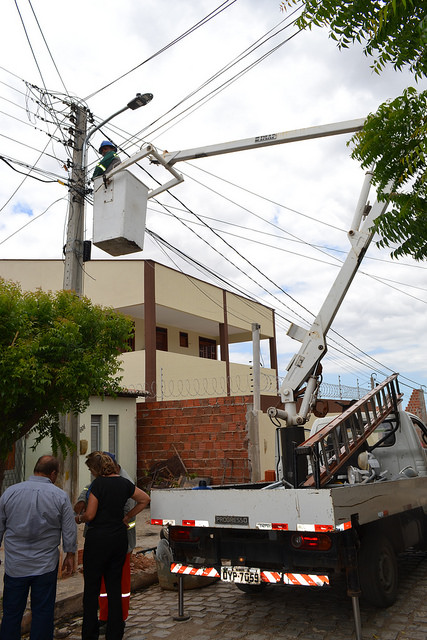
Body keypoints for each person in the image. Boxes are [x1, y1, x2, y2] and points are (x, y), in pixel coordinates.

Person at [0, 455, 77, 640]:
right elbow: (69, 528)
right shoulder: (60, 496)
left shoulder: (10, 492)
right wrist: (70, 554)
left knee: (11, 612)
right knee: (42, 612)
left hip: (15, 566)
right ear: (52, 474)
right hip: (45, 566)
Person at [77, 451, 150, 640]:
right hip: (118, 539)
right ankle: (115, 633)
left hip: (98, 541)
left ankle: (90, 633)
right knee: (114, 588)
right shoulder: (124, 483)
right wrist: (126, 516)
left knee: (92, 589)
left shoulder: (97, 485)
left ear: (96, 468)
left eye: (91, 468)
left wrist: (80, 518)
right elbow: (144, 499)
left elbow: (91, 515)